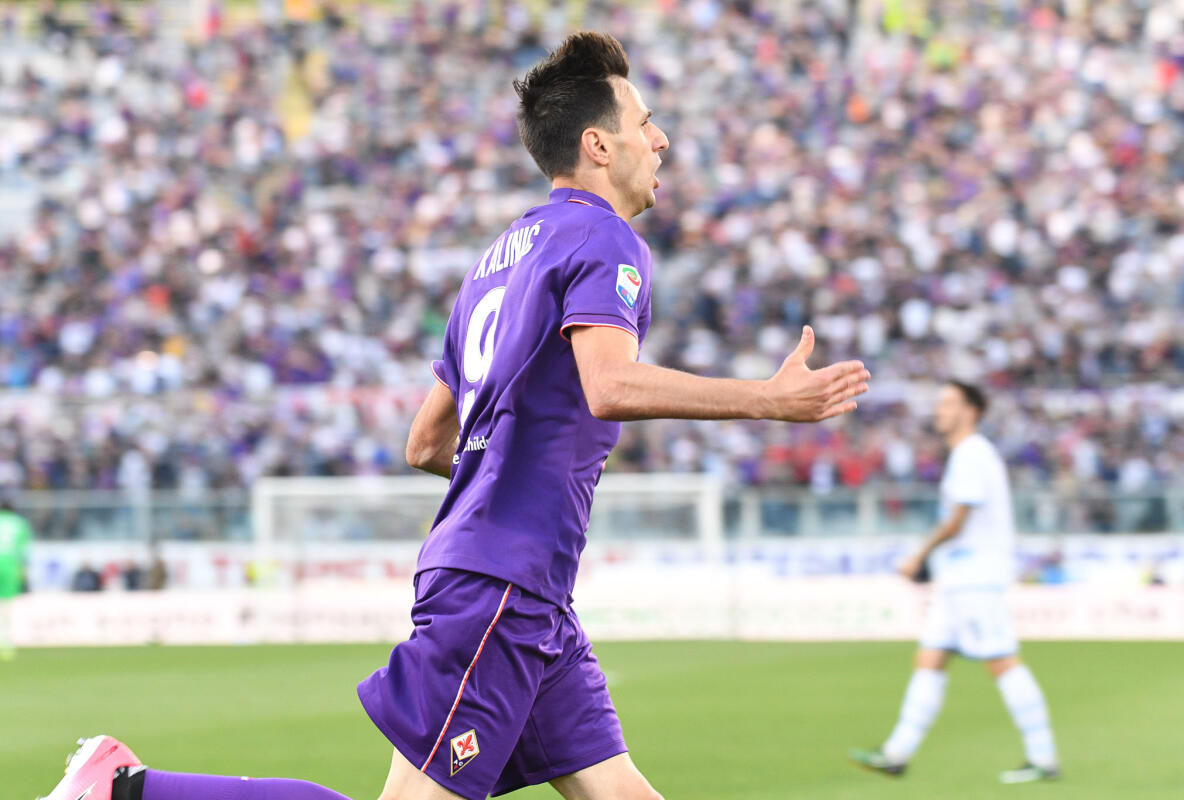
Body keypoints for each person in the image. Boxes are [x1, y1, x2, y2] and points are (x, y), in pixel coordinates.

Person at [39, 32, 869, 800]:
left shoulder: (496, 260)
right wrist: (765, 398)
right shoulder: (608, 240)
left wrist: (526, 468)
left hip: (523, 586)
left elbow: (425, 441)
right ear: (597, 144)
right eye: (646, 123)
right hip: (502, 582)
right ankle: (123, 789)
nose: (661, 142)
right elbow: (609, 387)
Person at [850, 381, 1060, 784]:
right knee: (930, 657)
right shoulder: (967, 455)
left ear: (971, 411)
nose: (939, 411)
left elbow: (958, 520)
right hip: (957, 578)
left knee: (1001, 660)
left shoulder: (972, 453)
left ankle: (1044, 757)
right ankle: (896, 753)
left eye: (948, 403)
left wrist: (919, 554)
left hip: (975, 576)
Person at [0, 498, 32, 660]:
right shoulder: (20, 524)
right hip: (11, 565)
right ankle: (5, 643)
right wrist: (24, 571)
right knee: (6, 605)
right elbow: (23, 551)